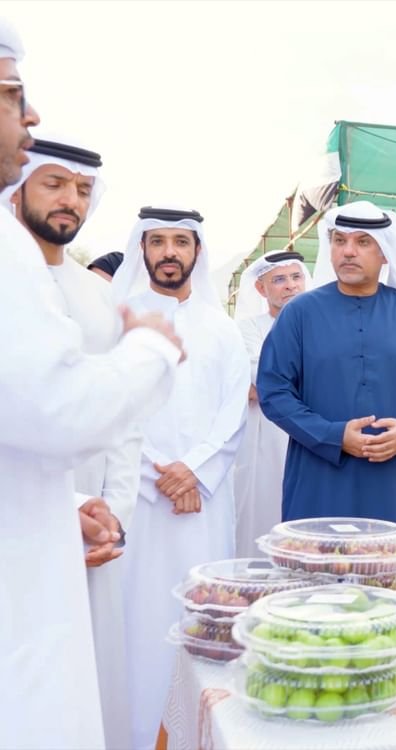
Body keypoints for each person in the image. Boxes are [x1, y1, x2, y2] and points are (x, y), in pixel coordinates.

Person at [0, 21, 183, 750]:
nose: (31, 113)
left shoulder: (84, 289)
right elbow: (58, 406)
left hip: (61, 521)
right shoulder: (11, 254)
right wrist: (153, 348)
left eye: (83, 189)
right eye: (13, 94)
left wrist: (92, 504)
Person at [4, 133, 138, 749]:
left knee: (90, 672)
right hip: (20, 513)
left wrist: (115, 514)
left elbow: (127, 419)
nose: (70, 201)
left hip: (96, 517)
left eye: (82, 190)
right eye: (55, 183)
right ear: (19, 184)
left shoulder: (98, 295)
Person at [112, 205, 249, 750]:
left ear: (197, 252)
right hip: (140, 505)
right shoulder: (117, 319)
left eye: (181, 242)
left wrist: (194, 470)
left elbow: (234, 411)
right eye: (158, 242)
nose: (170, 252)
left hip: (204, 505)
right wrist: (160, 477)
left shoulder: (221, 327)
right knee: (139, 625)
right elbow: (115, 408)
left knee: (199, 618)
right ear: (142, 249)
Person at [258, 200, 396, 537]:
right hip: (318, 479)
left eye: (363, 242)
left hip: (394, 483)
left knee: (388, 579)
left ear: (385, 253)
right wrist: (333, 436)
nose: (348, 251)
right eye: (339, 241)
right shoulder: (300, 314)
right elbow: (274, 391)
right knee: (316, 579)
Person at [232, 248, 310, 556]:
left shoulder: (320, 325)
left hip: (311, 433)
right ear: (261, 289)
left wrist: (270, 388)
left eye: (296, 277)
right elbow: (256, 377)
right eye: (279, 279)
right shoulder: (247, 329)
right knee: (262, 511)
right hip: (263, 438)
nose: (291, 285)